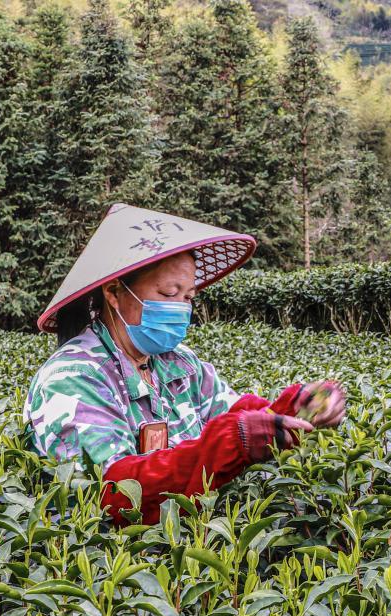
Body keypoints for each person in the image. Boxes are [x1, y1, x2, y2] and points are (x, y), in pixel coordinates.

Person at [24, 204, 346, 526]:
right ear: (113, 293)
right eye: (168, 293)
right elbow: (111, 493)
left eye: (188, 297)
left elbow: (241, 417)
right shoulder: (73, 377)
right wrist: (232, 441)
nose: (180, 309)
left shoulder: (179, 362)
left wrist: (299, 406)